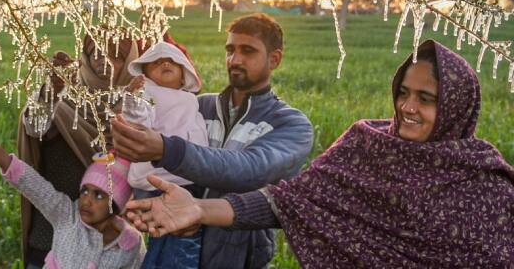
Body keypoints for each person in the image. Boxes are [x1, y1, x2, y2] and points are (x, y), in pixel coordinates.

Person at [125, 40, 514, 268]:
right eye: (403, 93)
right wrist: (198, 208)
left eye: (426, 99)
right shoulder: (367, 147)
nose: (407, 107)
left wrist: (169, 150)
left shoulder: (484, 182)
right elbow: (288, 202)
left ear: (456, 107)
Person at [112, 13, 314, 269]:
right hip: (173, 243)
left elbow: (249, 169)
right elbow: (149, 168)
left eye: (248, 51)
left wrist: (167, 150)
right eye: (230, 50)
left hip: (238, 258)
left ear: (274, 59)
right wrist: (158, 203)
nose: (235, 59)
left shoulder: (292, 125)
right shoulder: (197, 106)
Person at [18, 34, 139, 269]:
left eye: (116, 56)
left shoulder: (139, 106)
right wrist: (51, 92)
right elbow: (35, 127)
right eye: (97, 54)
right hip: (51, 235)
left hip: (108, 248)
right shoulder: (65, 99)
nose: (104, 61)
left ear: (130, 61)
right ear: (85, 58)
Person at [0, 131, 145, 269]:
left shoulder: (130, 245)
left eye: (99, 195)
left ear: (116, 203)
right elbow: (35, 186)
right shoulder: (68, 216)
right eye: (84, 191)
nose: (86, 201)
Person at [124, 41, 209, 269]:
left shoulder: (189, 99)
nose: (165, 62)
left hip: (182, 176)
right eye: (156, 62)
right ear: (147, 75)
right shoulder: (150, 94)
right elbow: (139, 120)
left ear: (184, 75)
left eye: (172, 60)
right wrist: (134, 99)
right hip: (161, 179)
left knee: (163, 241)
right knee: (183, 240)